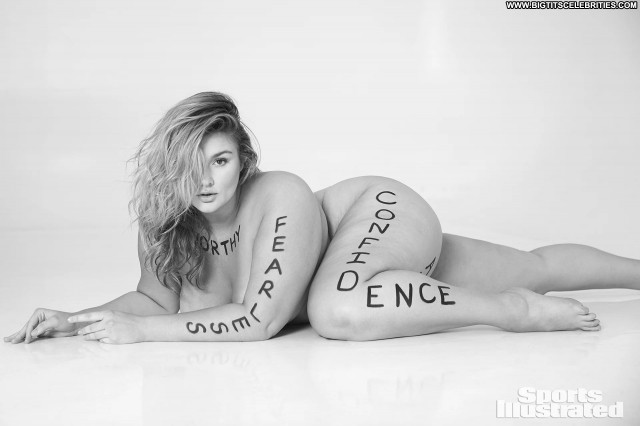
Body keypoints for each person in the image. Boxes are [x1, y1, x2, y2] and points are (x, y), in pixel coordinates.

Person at [5, 92, 638, 345]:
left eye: (220, 160)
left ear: (243, 161)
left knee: (336, 308)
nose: (205, 180)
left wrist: (142, 336)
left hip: (377, 213)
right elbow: (151, 301)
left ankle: (512, 311)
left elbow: (259, 320)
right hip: (371, 268)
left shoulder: (280, 194)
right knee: (535, 265)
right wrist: (77, 320)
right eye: (192, 164)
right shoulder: (167, 226)